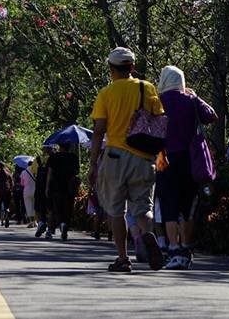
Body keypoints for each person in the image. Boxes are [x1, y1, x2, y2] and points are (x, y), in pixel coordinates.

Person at [89, 46, 166, 273]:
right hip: (143, 157)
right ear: (132, 67)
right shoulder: (147, 88)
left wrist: (93, 163)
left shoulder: (106, 94)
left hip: (115, 156)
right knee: (143, 208)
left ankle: (123, 258)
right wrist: (161, 154)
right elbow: (159, 123)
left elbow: (98, 130)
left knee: (116, 210)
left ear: (111, 69)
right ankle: (148, 233)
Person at [153, 65, 219, 270]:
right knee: (188, 206)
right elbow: (211, 116)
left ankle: (173, 249)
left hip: (164, 159)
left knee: (168, 205)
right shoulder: (190, 100)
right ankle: (186, 248)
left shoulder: (158, 101)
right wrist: (195, 96)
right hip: (190, 160)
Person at [46, 144, 80, 240]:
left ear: (60, 147)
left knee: (57, 208)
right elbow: (77, 172)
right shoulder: (73, 157)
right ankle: (65, 224)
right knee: (68, 208)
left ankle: (61, 224)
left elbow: (50, 173)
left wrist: (47, 187)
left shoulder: (53, 157)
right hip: (69, 187)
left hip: (56, 186)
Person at [33, 145, 53, 237]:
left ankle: (41, 223)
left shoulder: (37, 160)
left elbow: (34, 173)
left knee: (39, 207)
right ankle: (49, 230)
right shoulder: (54, 159)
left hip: (39, 187)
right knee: (50, 209)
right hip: (51, 187)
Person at [0, 162, 13, 228]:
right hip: (7, 192)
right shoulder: (8, 174)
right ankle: (7, 218)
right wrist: (11, 191)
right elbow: (12, 184)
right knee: (6, 206)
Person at [21, 161, 37, 228]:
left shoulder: (23, 172)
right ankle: (35, 222)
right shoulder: (36, 171)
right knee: (35, 206)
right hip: (35, 190)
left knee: (28, 206)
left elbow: (22, 183)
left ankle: (31, 222)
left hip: (27, 191)